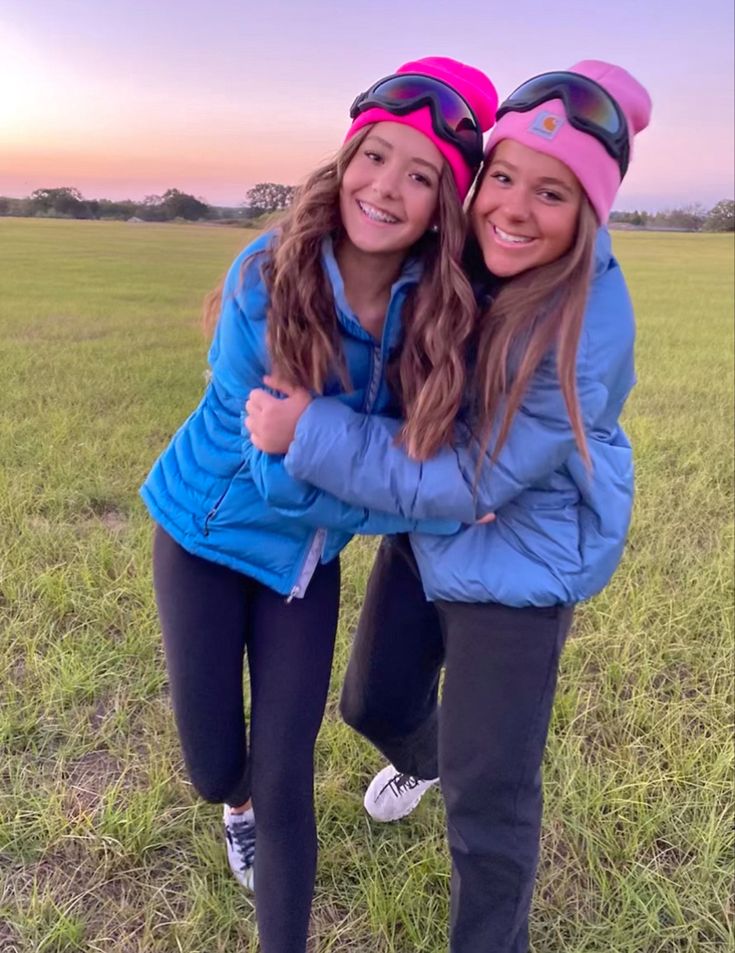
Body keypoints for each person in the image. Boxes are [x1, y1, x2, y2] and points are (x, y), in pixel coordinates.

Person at [244, 61, 652, 953]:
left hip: (515, 560)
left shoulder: (583, 326)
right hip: (429, 533)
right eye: (501, 176)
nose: (513, 205)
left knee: (490, 798)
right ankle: (430, 761)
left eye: (551, 192)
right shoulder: (458, 255)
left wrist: (305, 432)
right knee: (370, 703)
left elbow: (470, 483)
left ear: (588, 213)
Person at [140, 57, 498, 953]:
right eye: (376, 157)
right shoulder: (268, 271)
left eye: (421, 177)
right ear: (346, 161)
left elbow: (404, 453)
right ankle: (236, 804)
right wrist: (424, 508)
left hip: (303, 563)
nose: (387, 188)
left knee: (286, 768)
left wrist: (397, 481)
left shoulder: (436, 313)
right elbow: (279, 475)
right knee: (216, 762)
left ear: (442, 208)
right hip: (205, 533)